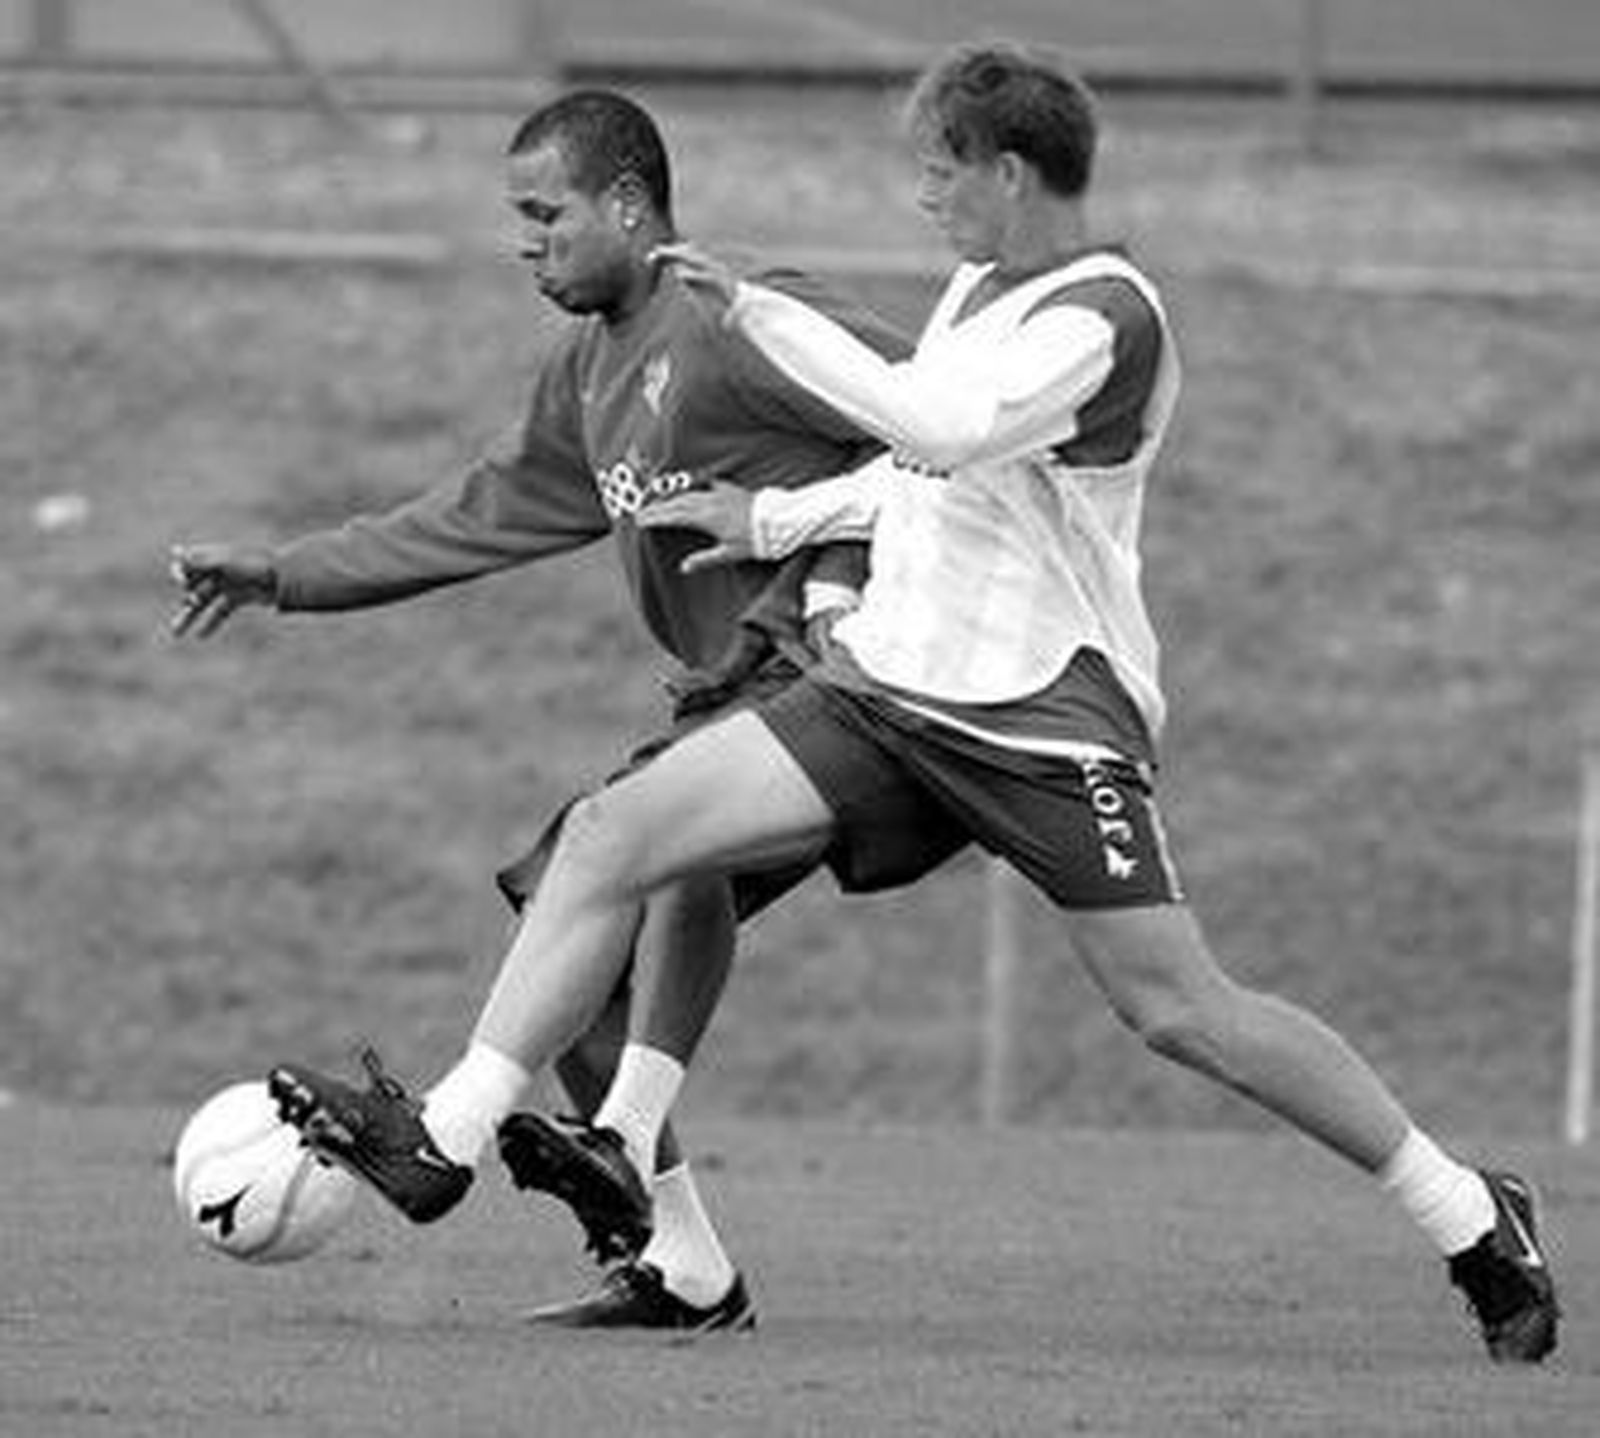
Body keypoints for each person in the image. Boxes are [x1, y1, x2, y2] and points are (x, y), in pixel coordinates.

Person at [265, 43, 1559, 1363]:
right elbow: (922, 484)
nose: (923, 197)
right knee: (614, 835)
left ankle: (1466, 1209)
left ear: (1008, 171)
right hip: (883, 692)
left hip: (1043, 717)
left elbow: (942, 431)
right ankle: (451, 1136)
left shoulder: (1105, 315)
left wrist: (762, 313)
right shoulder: (976, 295)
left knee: (1182, 1009)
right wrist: (775, 513)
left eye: (938, 172)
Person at [170, 88, 963, 1331]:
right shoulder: (589, 372)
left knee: (639, 848)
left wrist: (830, 570)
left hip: (852, 693)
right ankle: (683, 1268)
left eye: (546, 213)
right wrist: (286, 574)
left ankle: (445, 1133)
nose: (524, 240)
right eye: (517, 219)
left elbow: (942, 421)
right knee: (575, 947)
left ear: (631, 206)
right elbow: (472, 517)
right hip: (735, 699)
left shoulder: (732, 318)